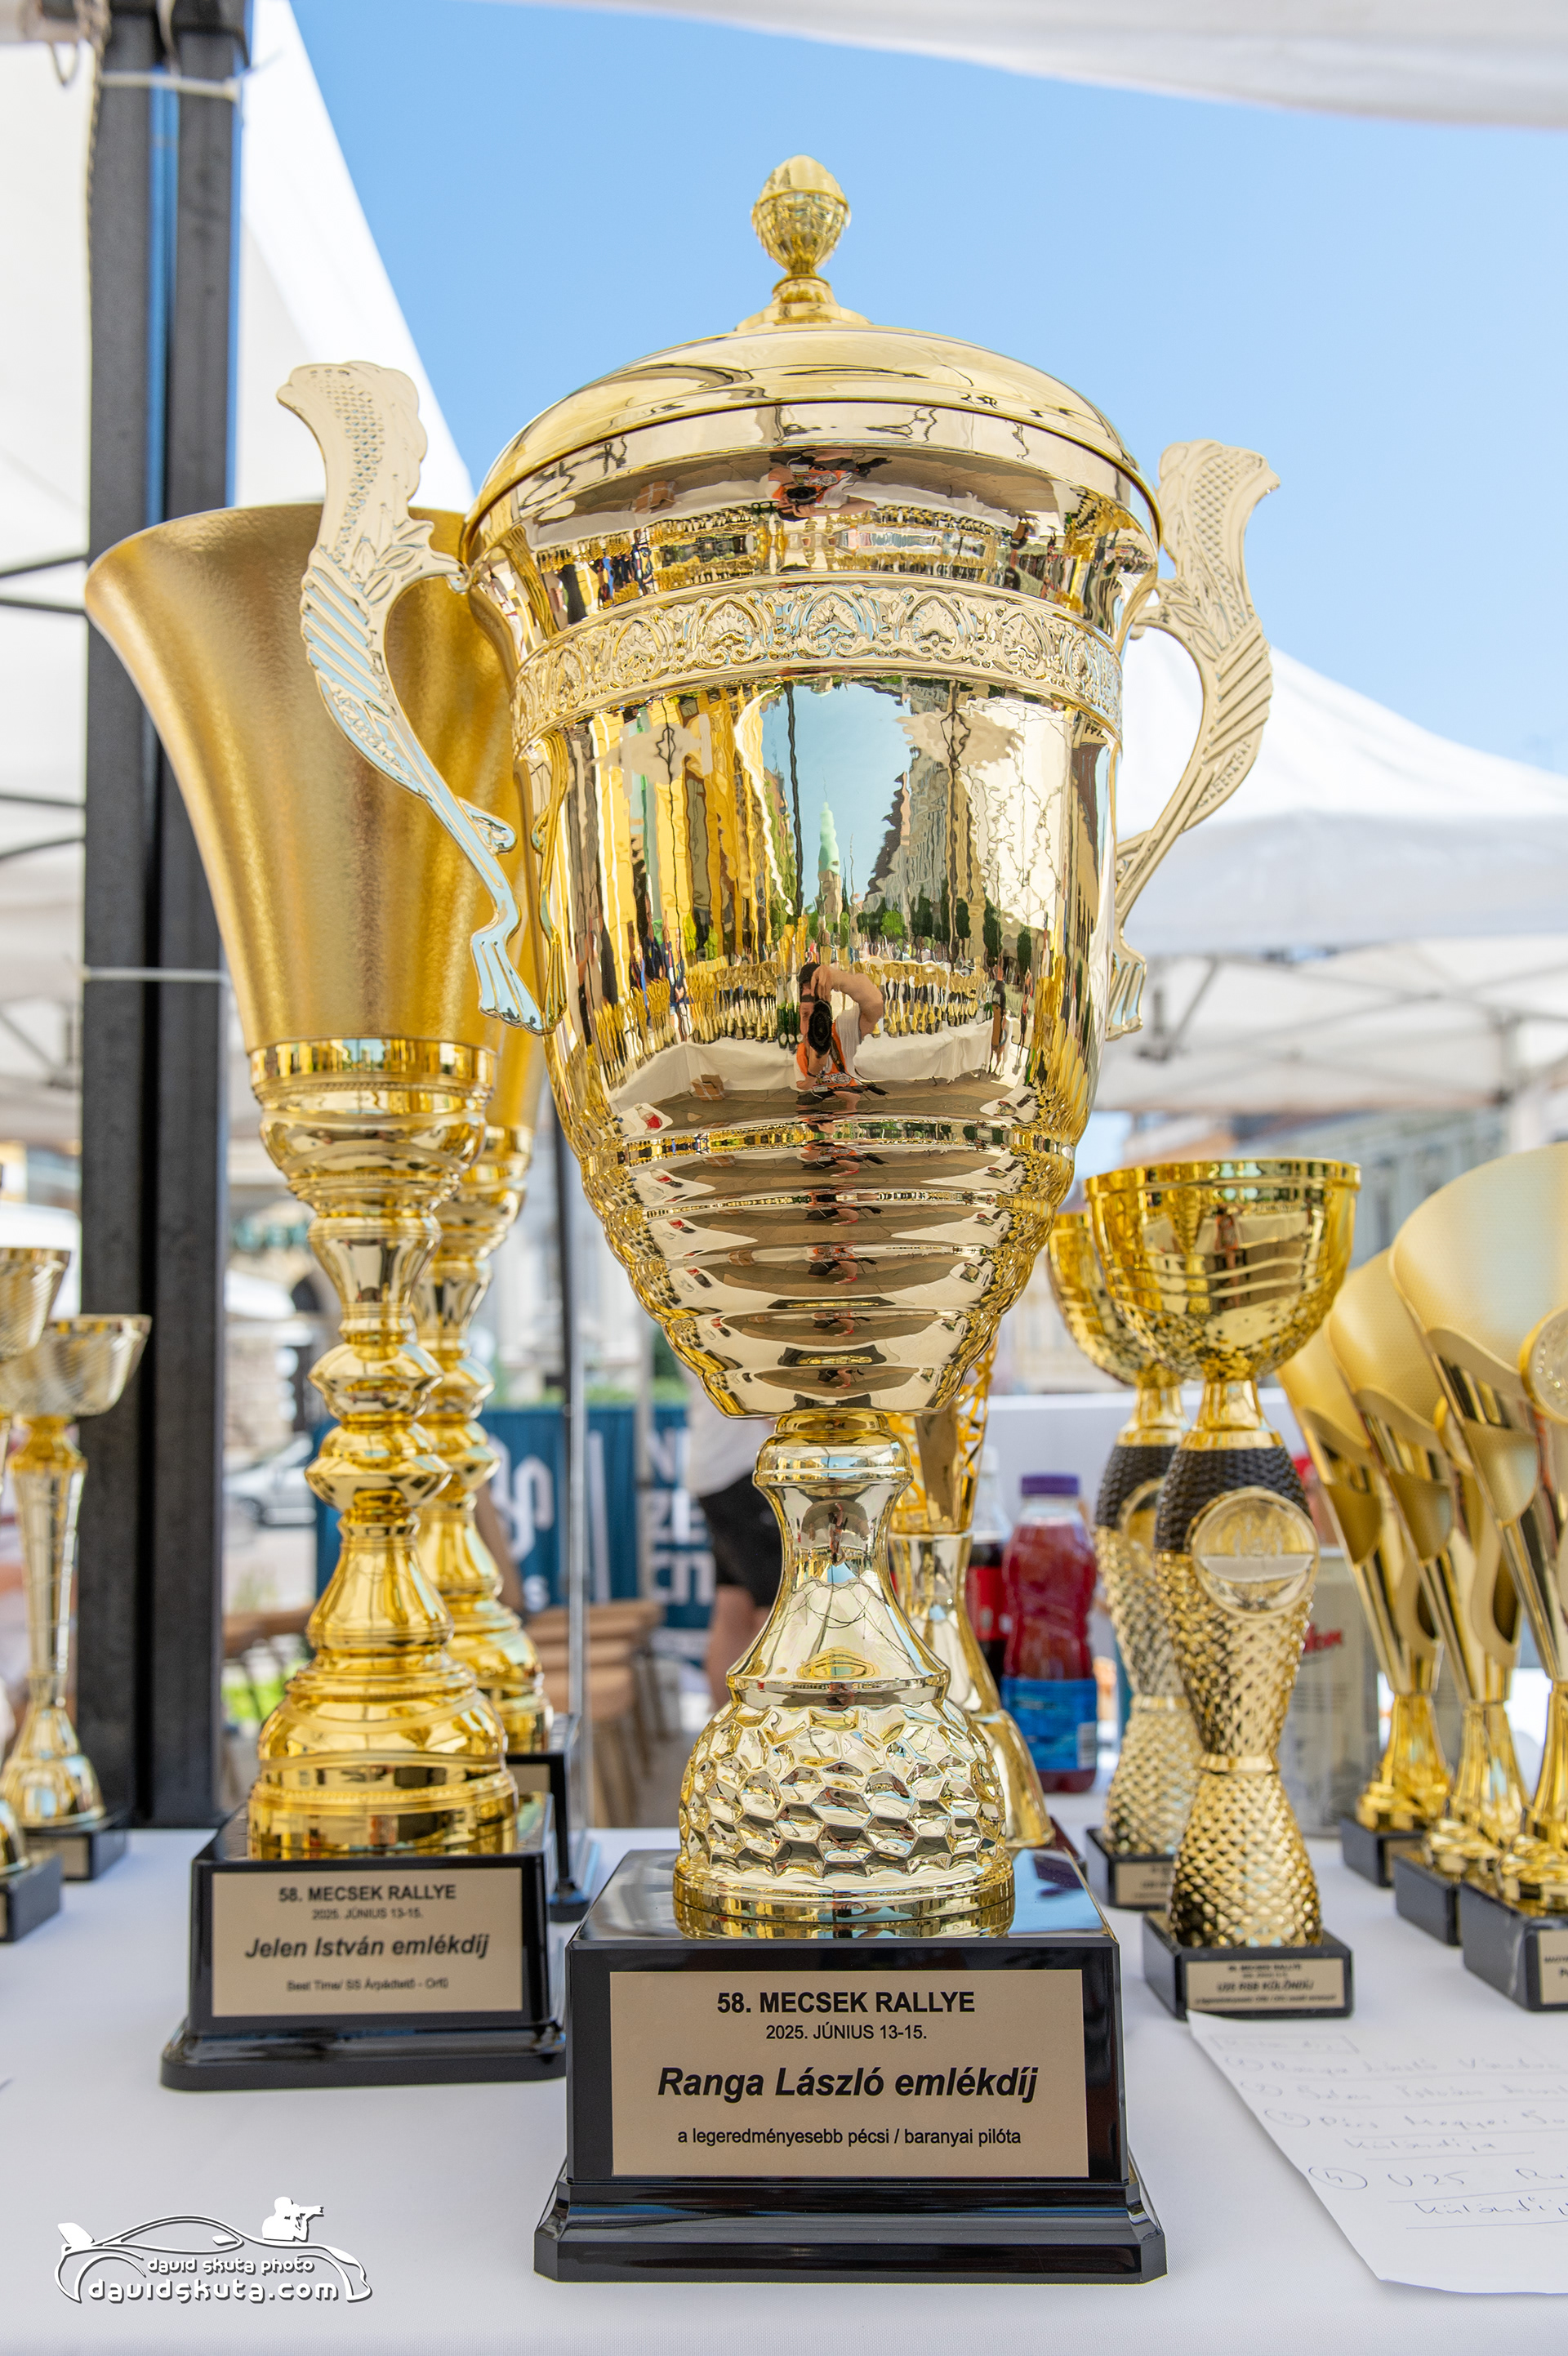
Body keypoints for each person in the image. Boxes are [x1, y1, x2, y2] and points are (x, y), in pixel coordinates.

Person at [684, 1374, 780, 1710]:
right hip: (745, 1471)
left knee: (733, 1605)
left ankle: (724, 1723)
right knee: (777, 1612)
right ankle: (764, 1726)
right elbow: (761, 1396)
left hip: (718, 1469)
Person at [794, 957, 884, 1087]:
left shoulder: (843, 1032)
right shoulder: (800, 1056)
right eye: (805, 1015)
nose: (812, 1026)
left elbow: (875, 1004)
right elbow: (802, 1087)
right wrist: (812, 1074)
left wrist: (840, 979)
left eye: (818, 1016)